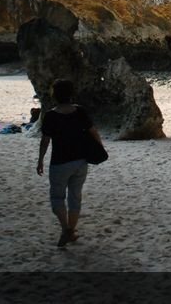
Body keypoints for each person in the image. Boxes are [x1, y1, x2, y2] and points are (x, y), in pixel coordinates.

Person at [36, 79, 102, 248]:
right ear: (71, 94)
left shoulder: (51, 115)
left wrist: (41, 159)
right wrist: (100, 147)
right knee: (75, 196)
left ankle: (66, 229)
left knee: (57, 197)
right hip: (80, 161)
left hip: (59, 162)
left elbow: (45, 140)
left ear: (54, 95)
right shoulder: (80, 111)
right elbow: (93, 132)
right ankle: (70, 231)